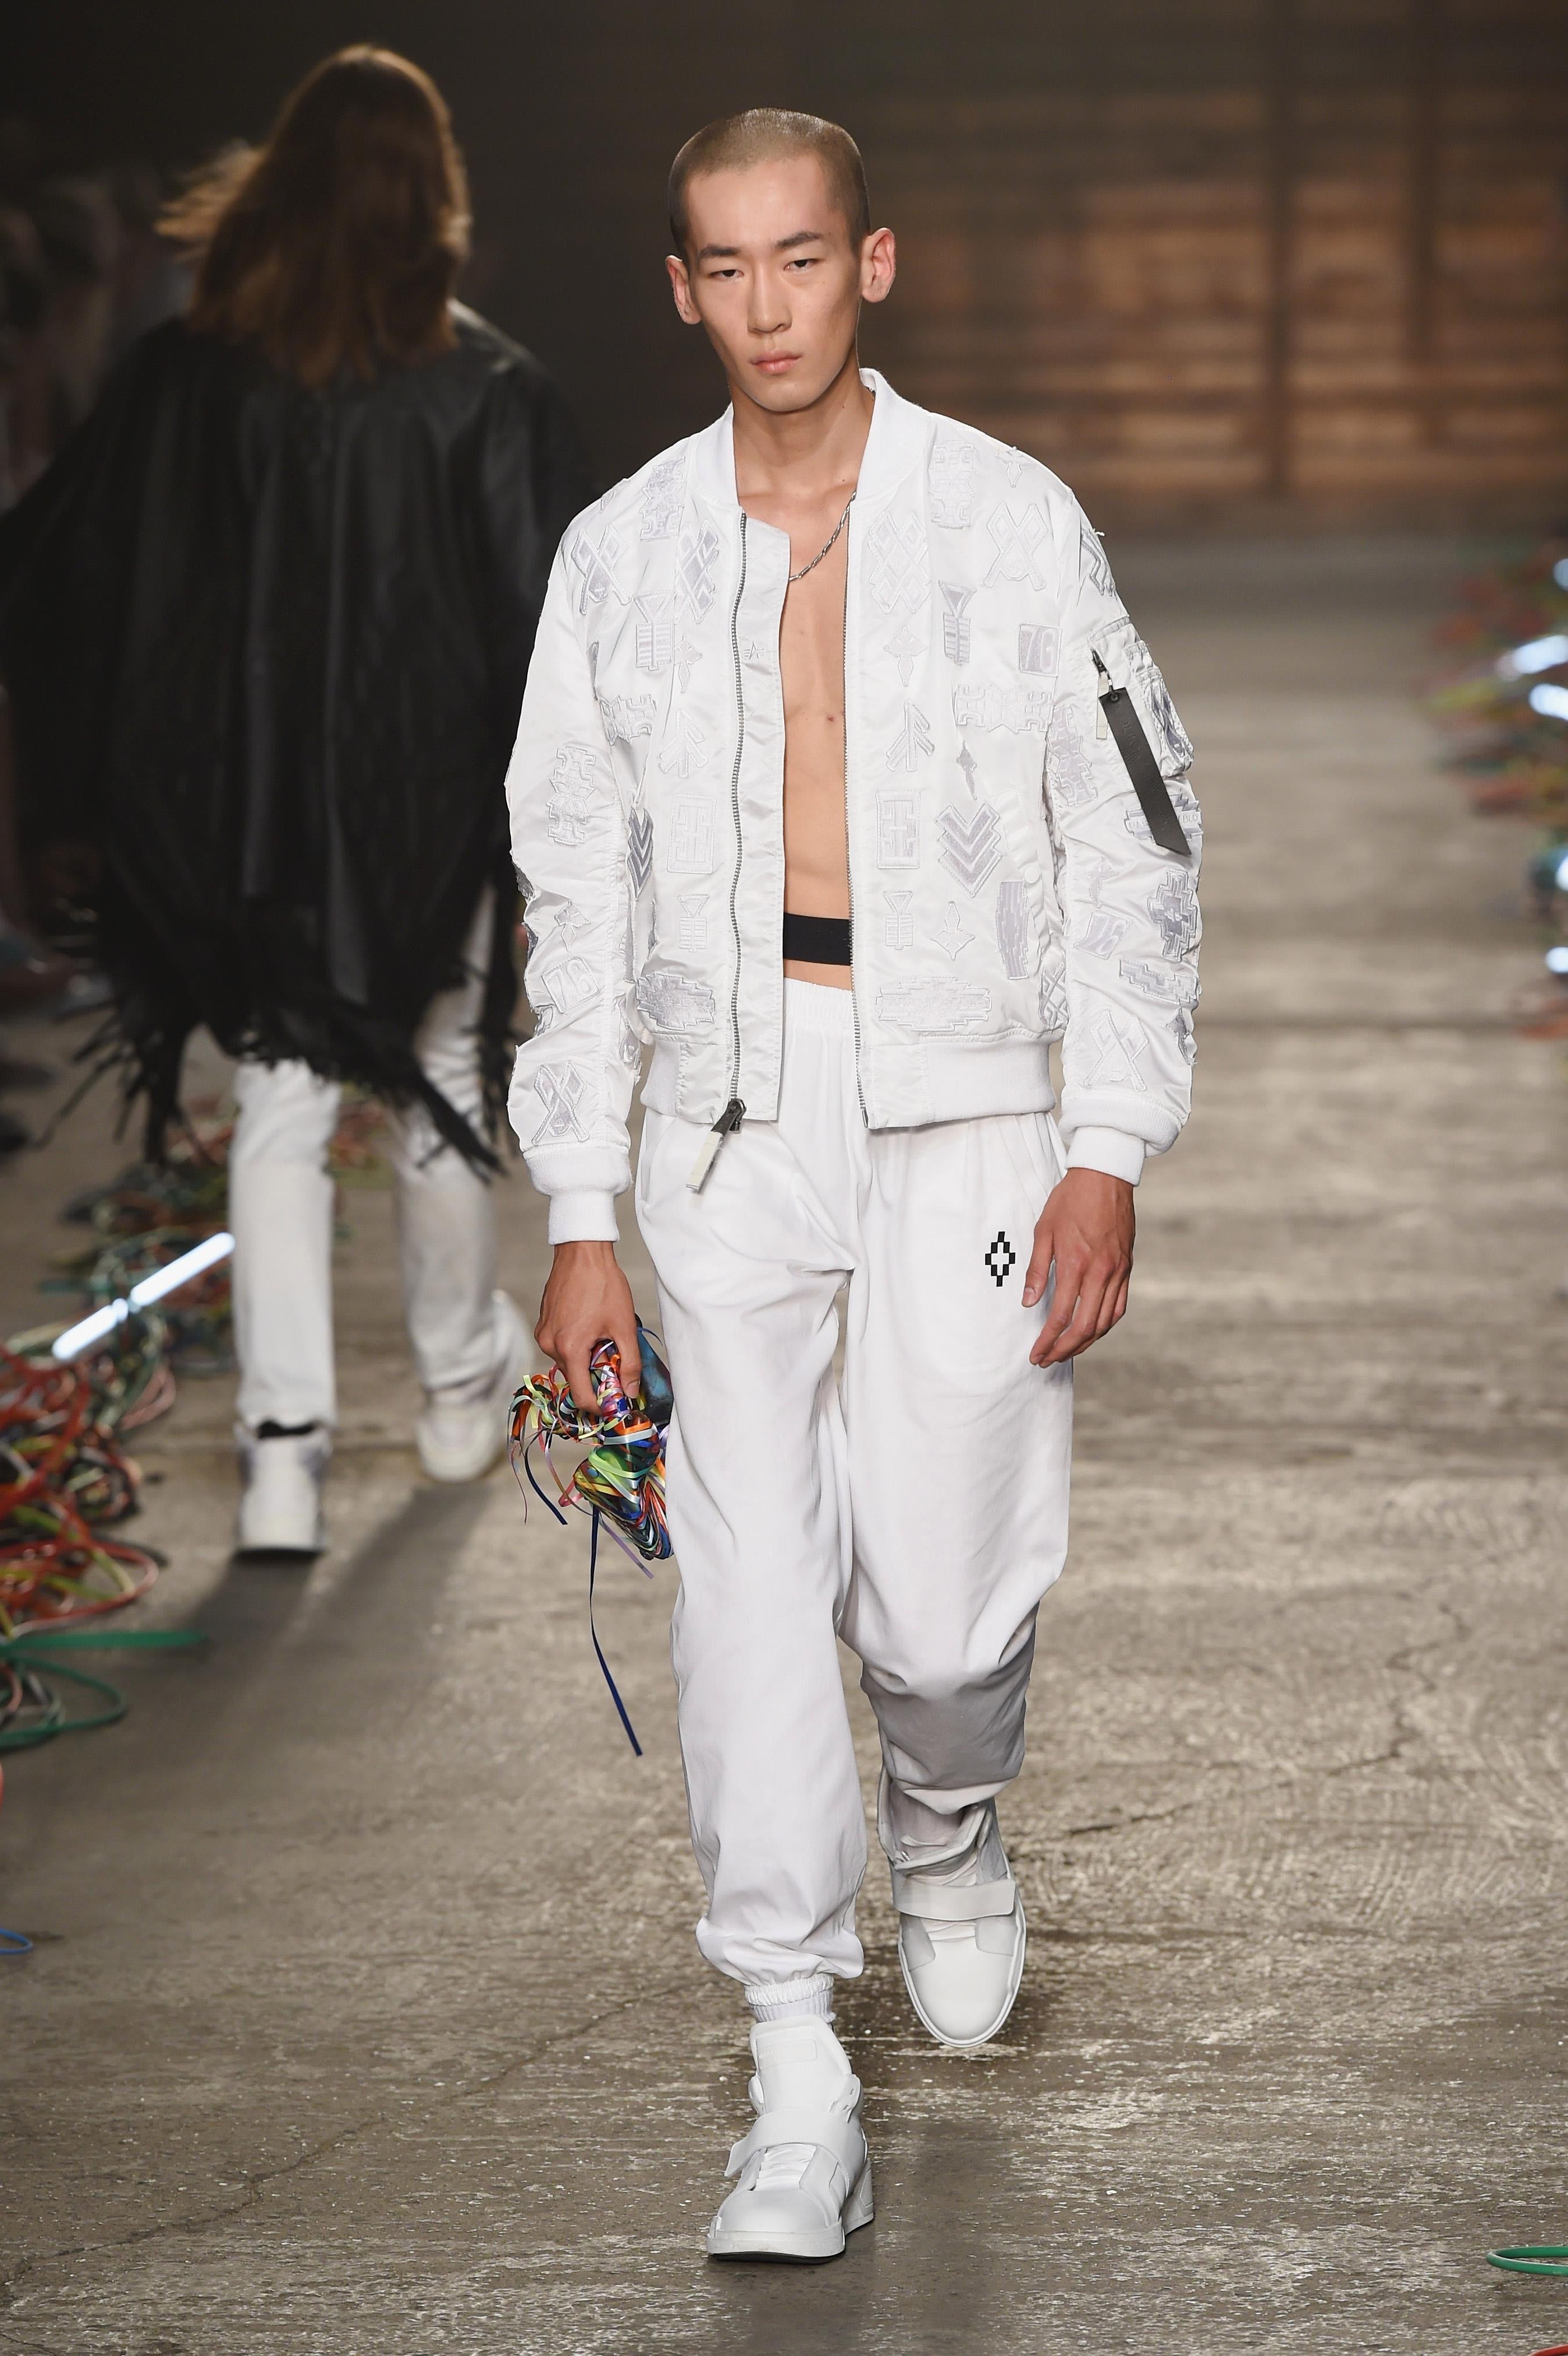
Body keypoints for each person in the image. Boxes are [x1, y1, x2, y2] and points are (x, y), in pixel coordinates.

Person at [507, 109, 1201, 2259]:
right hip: (726, 1112)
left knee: (940, 1600)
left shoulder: (1007, 519)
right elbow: (569, 894)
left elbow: (1132, 839)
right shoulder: (620, 554)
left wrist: (1106, 1142)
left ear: (870, 263)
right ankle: (794, 2053)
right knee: (741, 1584)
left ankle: (950, 1803)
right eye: (727, 268)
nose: (769, 305)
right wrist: (580, 1212)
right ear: (682, 291)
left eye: (802, 258)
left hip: (968, 1098)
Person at [0, 49, 591, 1552]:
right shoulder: (489, 388)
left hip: (247, 822)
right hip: (427, 817)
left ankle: (281, 1452)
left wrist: (96, 795)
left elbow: (67, 573)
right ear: (435, 196)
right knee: (439, 1076)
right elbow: (542, 638)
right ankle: (455, 1396)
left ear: (283, 185)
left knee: (277, 1099)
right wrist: (562, 850)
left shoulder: (186, 378)